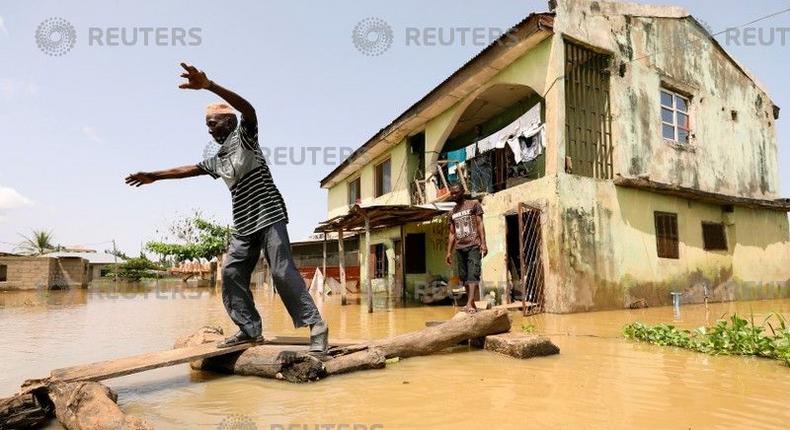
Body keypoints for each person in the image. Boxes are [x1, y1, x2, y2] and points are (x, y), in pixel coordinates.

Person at [125, 63, 328, 352]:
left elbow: (249, 110)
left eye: (212, 124)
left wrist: (209, 85)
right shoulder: (218, 158)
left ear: (228, 122)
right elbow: (191, 168)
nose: (209, 131)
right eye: (206, 126)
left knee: (282, 271)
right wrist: (154, 176)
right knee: (231, 273)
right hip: (243, 224)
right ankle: (249, 330)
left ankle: (317, 327)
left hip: (268, 214)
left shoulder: (245, 137)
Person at [445, 183, 487, 313]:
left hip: (473, 245)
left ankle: (469, 303)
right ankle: (472, 303)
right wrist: (448, 252)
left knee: (473, 274)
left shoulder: (474, 204)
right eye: (452, 193)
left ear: (463, 191)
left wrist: (484, 243)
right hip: (459, 248)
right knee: (464, 277)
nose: (454, 195)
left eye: (456, 192)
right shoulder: (452, 212)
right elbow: (452, 233)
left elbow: (480, 224)